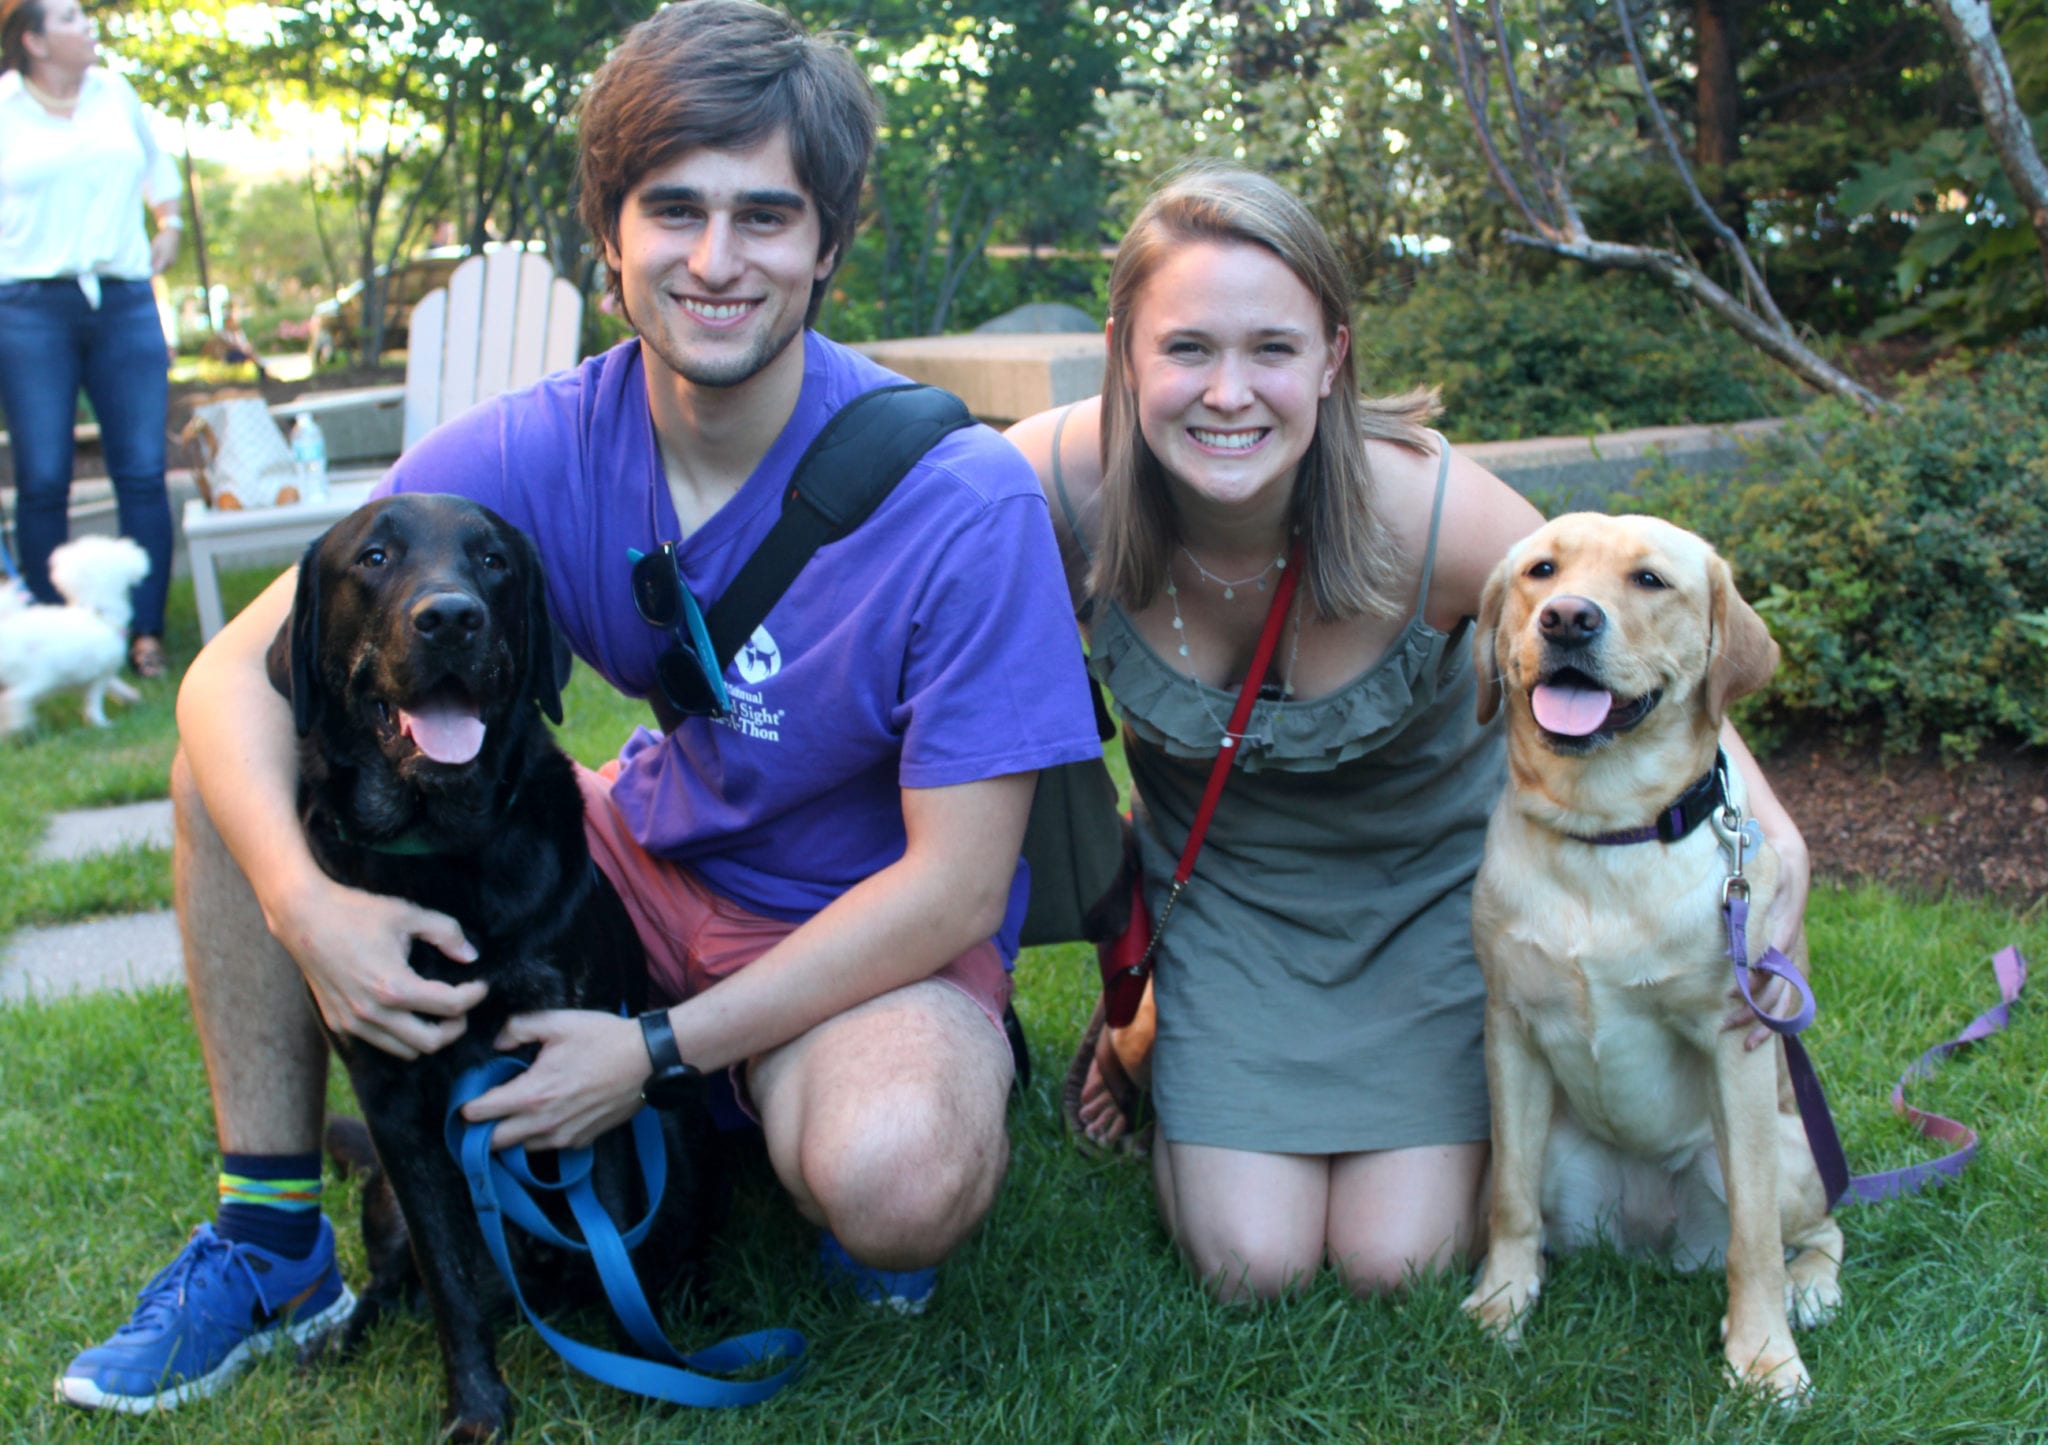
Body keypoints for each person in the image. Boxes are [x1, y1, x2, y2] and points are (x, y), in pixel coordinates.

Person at [56, 0, 1100, 1414]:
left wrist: (654, 1049)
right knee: (226, 761)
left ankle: (783, 1116)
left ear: (829, 243)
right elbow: (221, 674)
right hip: (644, 869)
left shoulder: (960, 504)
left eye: (765, 216)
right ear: (608, 241)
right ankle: (271, 1230)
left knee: (898, 1177)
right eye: (673, 211)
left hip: (854, 928)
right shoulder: (537, 446)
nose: (716, 261)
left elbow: (957, 887)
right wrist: (309, 907)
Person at [1005, 164, 1811, 1303]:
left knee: (1398, 1259)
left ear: (1331, 358)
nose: (1227, 391)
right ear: (1121, 349)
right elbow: (889, 586)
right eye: (1184, 347)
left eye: (1271, 350)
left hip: (1433, 902)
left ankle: (1177, 1058)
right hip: (1225, 904)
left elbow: (1628, 650)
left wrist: (1777, 842)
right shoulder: (1043, 482)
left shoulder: (1435, 514)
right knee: (1250, 1264)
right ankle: (1152, 1032)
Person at [0, 0, 180, 679]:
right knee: (43, 476)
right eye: (71, 19)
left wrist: (168, 225)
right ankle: (48, 635)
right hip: (27, 307)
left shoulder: (115, 93)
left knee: (140, 470)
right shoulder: (5, 107)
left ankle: (144, 632)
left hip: (123, 301)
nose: (87, 25)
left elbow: (154, 165)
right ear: (35, 42)